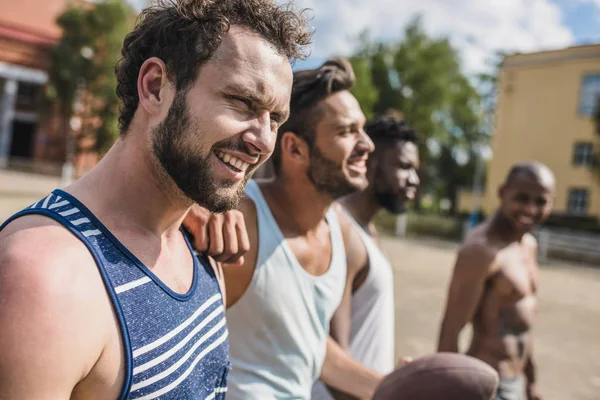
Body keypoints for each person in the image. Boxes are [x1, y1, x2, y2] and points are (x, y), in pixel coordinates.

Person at [0, 1, 311, 398]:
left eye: (275, 118)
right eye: (243, 102)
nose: (264, 141)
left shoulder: (197, 243)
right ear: (154, 87)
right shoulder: (46, 278)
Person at [184, 57, 390, 399]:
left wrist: (395, 388)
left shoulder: (339, 230)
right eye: (346, 132)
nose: (367, 145)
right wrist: (186, 207)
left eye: (362, 129)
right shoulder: (238, 219)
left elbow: (307, 344)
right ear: (294, 148)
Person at [311, 113, 420, 399]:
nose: (414, 180)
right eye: (404, 167)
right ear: (370, 162)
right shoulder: (342, 232)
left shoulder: (366, 231)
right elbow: (332, 355)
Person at [437, 161, 555, 400]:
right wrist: (450, 390)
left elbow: (522, 321)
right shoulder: (481, 251)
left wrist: (531, 381)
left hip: (516, 382)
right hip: (487, 384)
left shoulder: (528, 245)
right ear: (502, 193)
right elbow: (451, 330)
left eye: (540, 201)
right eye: (522, 198)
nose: (531, 209)